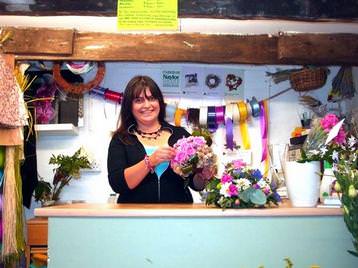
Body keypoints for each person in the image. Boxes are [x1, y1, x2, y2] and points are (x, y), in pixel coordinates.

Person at [107, 75, 205, 203]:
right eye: (139, 100)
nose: (147, 105)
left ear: (159, 102)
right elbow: (118, 184)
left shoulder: (180, 135)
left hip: (177, 217)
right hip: (135, 217)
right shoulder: (121, 139)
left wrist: (203, 174)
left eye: (152, 98)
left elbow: (196, 185)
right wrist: (150, 161)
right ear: (129, 106)